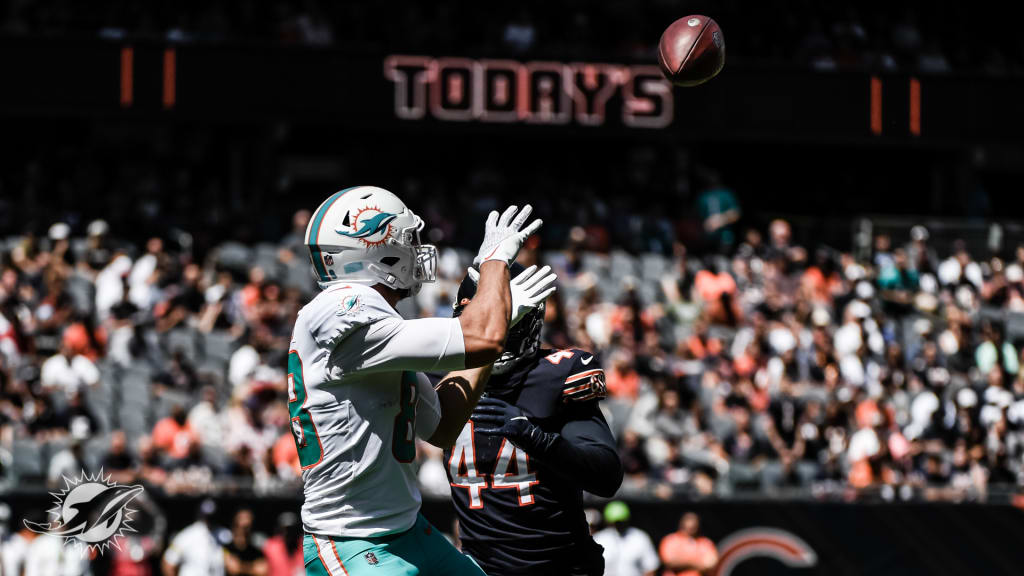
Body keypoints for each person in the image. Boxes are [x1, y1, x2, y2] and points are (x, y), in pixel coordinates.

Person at [290, 187, 550, 576]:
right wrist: (495, 262)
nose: (418, 248)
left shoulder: (378, 322)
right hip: (351, 541)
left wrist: (499, 327)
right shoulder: (342, 306)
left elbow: (443, 424)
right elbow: (481, 337)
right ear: (374, 249)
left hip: (407, 529)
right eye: (408, 239)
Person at [442, 263, 623, 576]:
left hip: (558, 566)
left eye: (504, 320)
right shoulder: (439, 371)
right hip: (478, 568)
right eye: (483, 318)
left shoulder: (558, 372)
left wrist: (539, 439)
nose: (493, 331)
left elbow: (606, 477)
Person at [593, 501, 660, 576]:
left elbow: (651, 567)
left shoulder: (640, 537)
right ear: (607, 522)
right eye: (614, 523)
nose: (618, 526)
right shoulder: (599, 538)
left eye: (621, 522)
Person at [162, 499, 224, 576]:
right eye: (206, 518)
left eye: (212, 518)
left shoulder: (223, 534)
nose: (208, 522)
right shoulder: (187, 535)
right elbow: (168, 562)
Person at [224, 509, 268, 576]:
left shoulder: (256, 551)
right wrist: (252, 567)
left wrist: (241, 566)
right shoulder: (225, 549)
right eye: (239, 526)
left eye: (247, 528)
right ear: (233, 527)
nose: (242, 533)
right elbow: (233, 569)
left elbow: (261, 571)